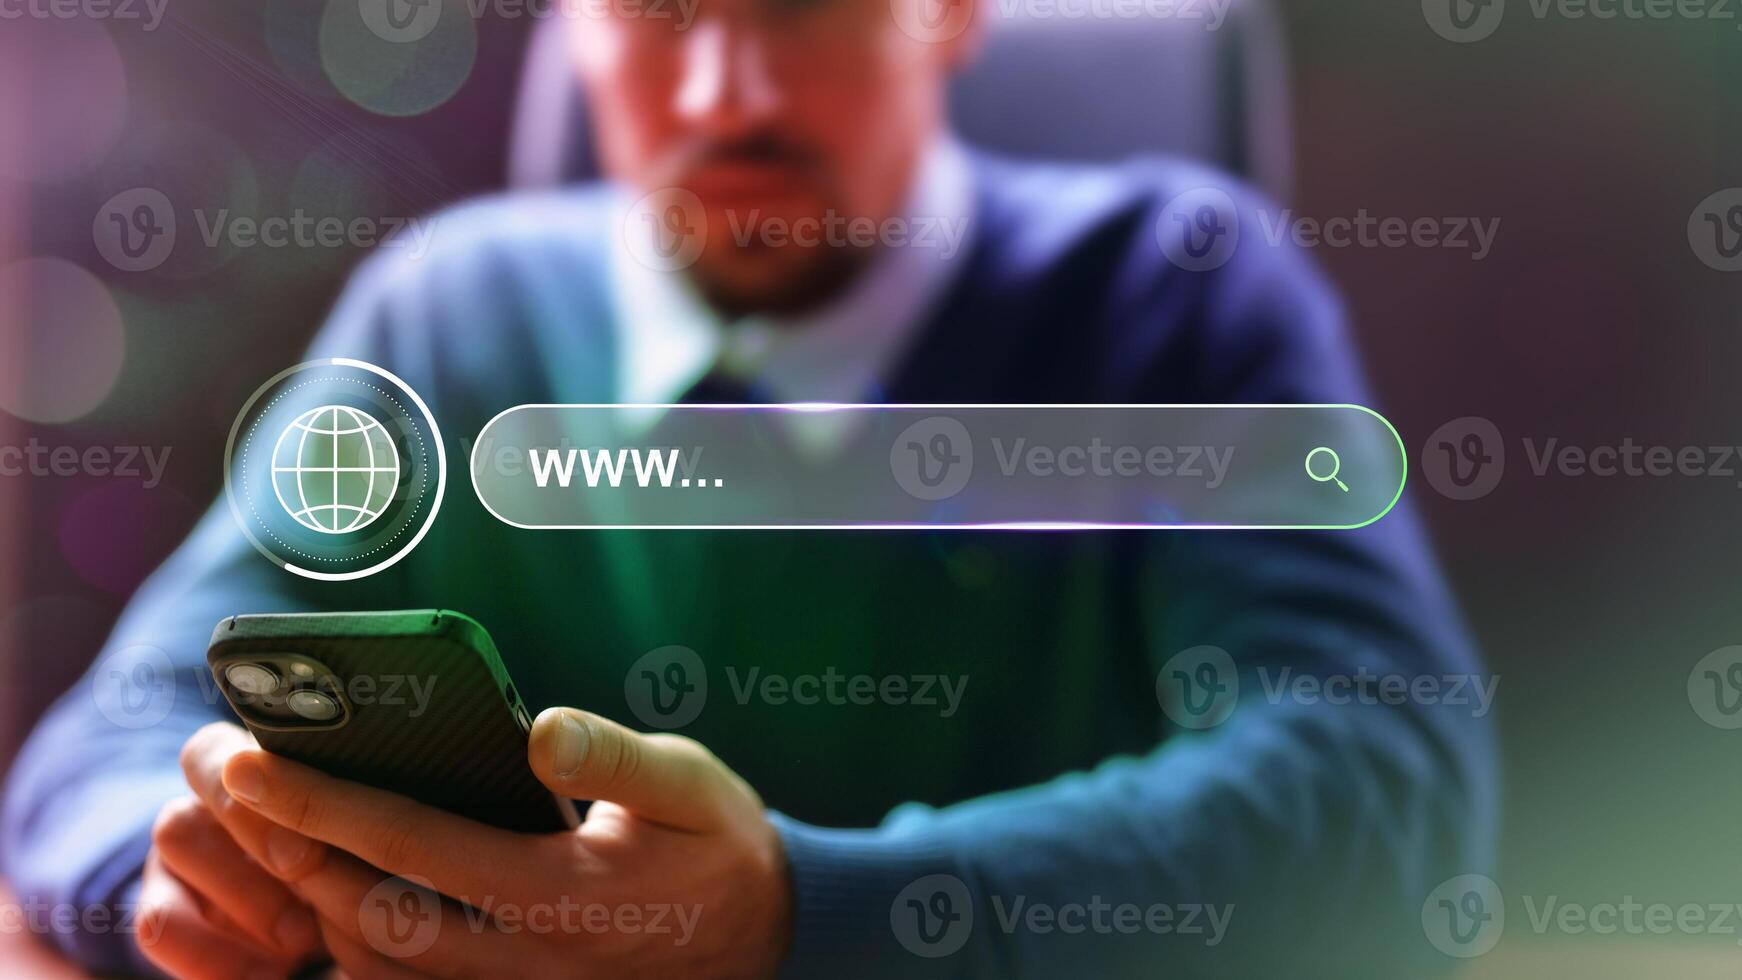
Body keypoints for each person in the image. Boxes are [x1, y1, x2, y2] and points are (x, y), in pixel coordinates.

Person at [2, 0, 1495, 976]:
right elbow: (108, 744)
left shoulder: (1179, 289)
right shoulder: (448, 314)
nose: (725, 90)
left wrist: (797, 916)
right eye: (656, 13)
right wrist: (180, 876)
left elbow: (1383, 779)